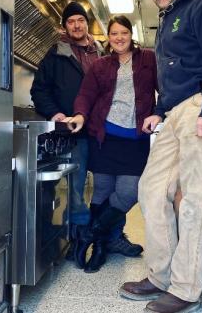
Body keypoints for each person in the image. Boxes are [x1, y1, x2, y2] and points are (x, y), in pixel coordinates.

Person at [119, 0, 202, 313]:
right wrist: (159, 109)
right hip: (175, 113)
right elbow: (172, 77)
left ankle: (186, 288)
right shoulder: (167, 22)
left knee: (195, 199)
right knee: (151, 191)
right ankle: (161, 276)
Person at [30, 2, 141, 261]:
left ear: (87, 23)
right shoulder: (55, 54)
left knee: (110, 186)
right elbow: (39, 90)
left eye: (81, 20)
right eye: (71, 21)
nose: (77, 25)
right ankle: (79, 238)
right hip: (74, 133)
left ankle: (112, 236)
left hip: (105, 131)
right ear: (65, 26)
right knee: (77, 188)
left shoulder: (104, 52)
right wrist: (55, 114)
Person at [63, 15, 160, 273]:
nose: (119, 38)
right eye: (114, 33)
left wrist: (160, 111)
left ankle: (91, 234)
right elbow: (86, 94)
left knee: (129, 191)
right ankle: (104, 246)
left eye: (124, 33)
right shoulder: (100, 65)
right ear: (109, 37)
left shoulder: (148, 59)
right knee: (103, 191)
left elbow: (166, 88)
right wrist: (81, 115)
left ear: (131, 35)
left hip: (135, 139)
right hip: (104, 137)